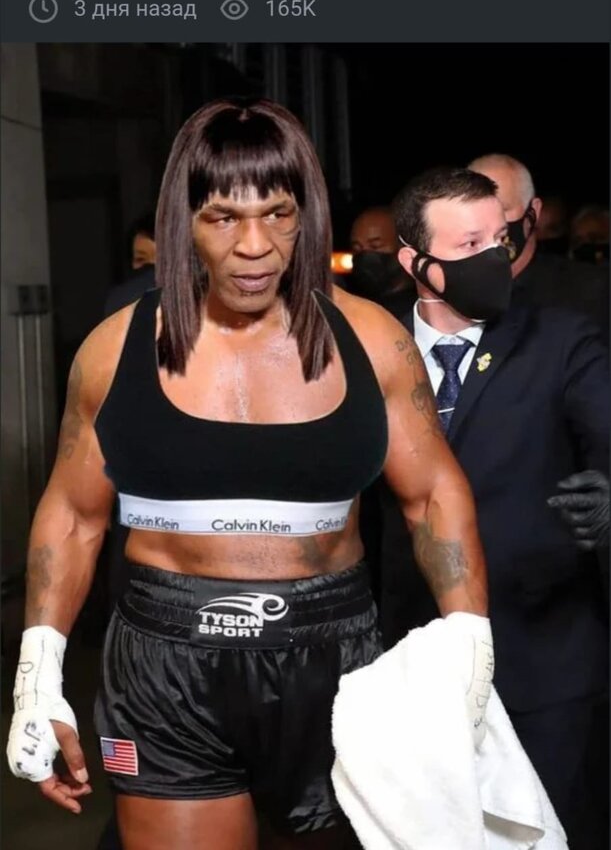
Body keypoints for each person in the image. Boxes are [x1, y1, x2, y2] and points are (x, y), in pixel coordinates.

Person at [7, 100, 490, 850]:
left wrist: (469, 634)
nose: (255, 246)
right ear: (184, 222)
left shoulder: (372, 340)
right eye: (224, 218)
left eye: (277, 214)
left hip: (333, 658)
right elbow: (74, 515)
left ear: (305, 215)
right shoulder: (113, 351)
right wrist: (38, 671)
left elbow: (432, 493)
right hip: (166, 668)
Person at [380, 165, 609, 850]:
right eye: (469, 245)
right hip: (409, 662)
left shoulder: (561, 340)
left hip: (542, 659)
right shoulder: (371, 347)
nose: (495, 259)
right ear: (414, 264)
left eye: (499, 240)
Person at [468, 153, 609, 339]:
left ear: (533, 211)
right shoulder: (449, 293)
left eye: (501, 209)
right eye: (473, 211)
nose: (486, 223)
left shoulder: (592, 292)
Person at [348, 205, 415, 319]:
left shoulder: (420, 312)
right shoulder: (351, 307)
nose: (365, 255)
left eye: (375, 246)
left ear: (402, 247)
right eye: (357, 248)